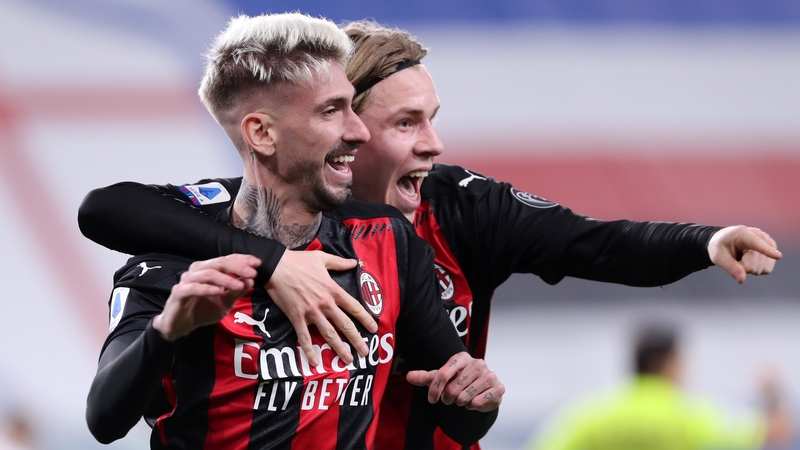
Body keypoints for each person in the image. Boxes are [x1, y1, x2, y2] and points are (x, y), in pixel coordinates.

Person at [78, 19, 781, 450]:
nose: (435, 144)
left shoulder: (441, 220)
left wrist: (702, 239)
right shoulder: (213, 233)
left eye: (432, 117)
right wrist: (269, 266)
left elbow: (593, 245)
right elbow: (110, 212)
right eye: (405, 123)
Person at [84, 13, 505, 449]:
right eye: (331, 111)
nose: (359, 132)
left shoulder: (388, 242)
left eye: (351, 105)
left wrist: (477, 396)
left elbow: (460, 420)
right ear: (262, 133)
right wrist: (167, 330)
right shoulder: (175, 270)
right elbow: (104, 420)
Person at [527, 322, 793, 450]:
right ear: (670, 363)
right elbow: (777, 432)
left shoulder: (589, 415)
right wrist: (771, 392)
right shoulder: (690, 416)